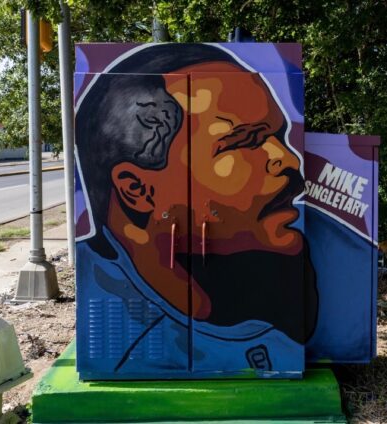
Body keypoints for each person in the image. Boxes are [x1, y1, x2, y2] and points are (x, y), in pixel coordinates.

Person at [74, 43, 317, 378]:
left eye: (278, 137)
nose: (289, 160)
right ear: (137, 189)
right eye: (246, 141)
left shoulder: (284, 279)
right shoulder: (123, 343)